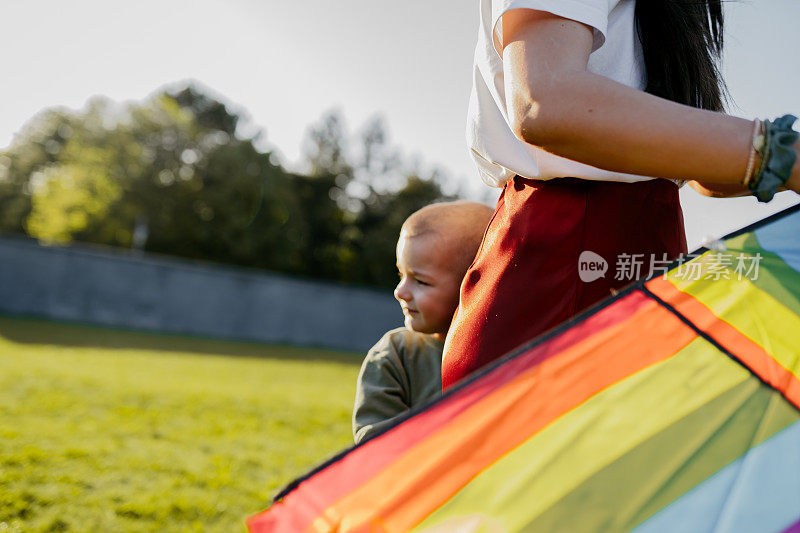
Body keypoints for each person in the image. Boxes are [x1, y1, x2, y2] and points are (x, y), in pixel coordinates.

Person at [442, 0, 800, 389]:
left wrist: (783, 164)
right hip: (561, 259)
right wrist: (783, 154)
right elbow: (545, 100)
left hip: (650, 250)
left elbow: (696, 169)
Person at [353, 201, 494, 443]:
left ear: (472, 285)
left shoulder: (507, 352)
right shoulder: (396, 356)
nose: (400, 291)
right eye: (401, 275)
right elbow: (374, 445)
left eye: (421, 281)